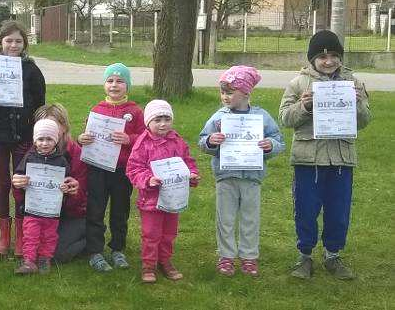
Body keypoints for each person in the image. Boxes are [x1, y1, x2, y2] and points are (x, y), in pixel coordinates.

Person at [279, 30, 371, 280]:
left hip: (342, 160)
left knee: (338, 210)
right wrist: (304, 105)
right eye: (322, 56)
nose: (328, 61)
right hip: (308, 160)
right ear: (312, 59)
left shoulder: (354, 83)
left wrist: (358, 103)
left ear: (340, 57)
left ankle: (333, 255)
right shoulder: (298, 83)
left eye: (333, 55)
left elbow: (364, 121)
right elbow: (285, 118)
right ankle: (304, 257)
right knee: (306, 209)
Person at [199, 65, 284, 277]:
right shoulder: (218, 118)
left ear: (246, 92)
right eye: (222, 92)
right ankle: (226, 257)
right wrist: (211, 141)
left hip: (252, 178)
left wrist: (270, 145)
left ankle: (249, 257)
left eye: (230, 92)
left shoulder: (261, 117)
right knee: (225, 219)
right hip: (225, 177)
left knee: (250, 219)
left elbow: (279, 140)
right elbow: (202, 140)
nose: (225, 97)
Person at [0, 20, 46, 258]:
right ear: (0, 43)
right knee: (2, 185)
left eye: (18, 41)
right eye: (9, 41)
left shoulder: (32, 70)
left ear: (25, 43)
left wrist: (36, 129)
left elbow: (40, 104)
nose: (14, 45)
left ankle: (21, 234)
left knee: (20, 183)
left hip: (23, 135)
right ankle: (4, 235)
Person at [76, 63, 145, 272]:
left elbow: (144, 137)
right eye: (110, 81)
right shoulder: (97, 109)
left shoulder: (135, 111)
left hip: (123, 170)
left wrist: (129, 139)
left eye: (120, 81)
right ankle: (95, 251)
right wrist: (81, 139)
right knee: (95, 209)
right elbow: (87, 136)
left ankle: (118, 248)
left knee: (120, 210)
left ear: (128, 85)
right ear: (104, 84)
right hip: (97, 168)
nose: (114, 85)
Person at [126, 100, 200, 283]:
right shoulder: (142, 144)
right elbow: (133, 168)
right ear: (148, 122)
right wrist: (148, 179)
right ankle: (149, 265)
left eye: (167, 119)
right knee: (151, 234)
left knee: (169, 233)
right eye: (158, 119)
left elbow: (187, 161)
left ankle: (165, 261)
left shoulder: (177, 141)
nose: (163, 124)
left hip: (173, 198)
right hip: (151, 200)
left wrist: (191, 175)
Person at [10, 119, 78, 275]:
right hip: (32, 208)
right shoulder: (29, 158)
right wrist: (19, 180)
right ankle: (28, 261)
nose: (44, 143)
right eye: (40, 139)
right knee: (30, 234)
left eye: (49, 139)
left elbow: (68, 181)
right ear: (35, 140)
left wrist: (65, 187)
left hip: (52, 210)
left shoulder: (62, 161)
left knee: (49, 235)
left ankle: (44, 259)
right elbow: (19, 175)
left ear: (56, 141)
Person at [31, 104, 86, 264]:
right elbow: (23, 195)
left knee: (55, 255)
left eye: (54, 125)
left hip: (73, 214)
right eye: (43, 125)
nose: (48, 130)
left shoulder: (76, 153)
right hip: (43, 213)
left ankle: (91, 235)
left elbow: (84, 197)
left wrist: (75, 191)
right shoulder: (34, 152)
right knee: (34, 251)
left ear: (64, 126)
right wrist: (19, 183)